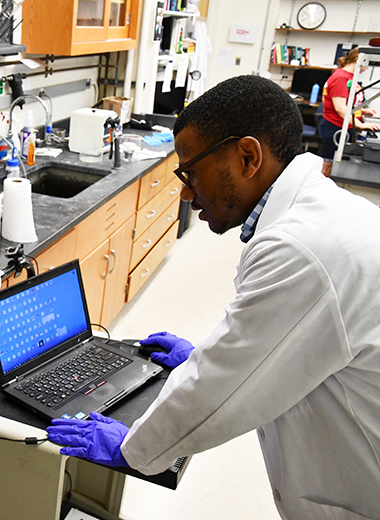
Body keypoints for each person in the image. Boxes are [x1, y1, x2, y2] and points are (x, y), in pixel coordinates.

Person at [47, 75, 380, 520]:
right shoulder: (322, 216)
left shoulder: (303, 249)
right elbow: (275, 342)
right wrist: (200, 355)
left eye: (191, 171)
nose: (186, 191)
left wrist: (133, 448)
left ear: (247, 156)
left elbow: (224, 387)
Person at [318, 47, 379, 177]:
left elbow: (347, 104)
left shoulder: (349, 77)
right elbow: (340, 108)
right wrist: (360, 125)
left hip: (342, 126)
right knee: (328, 165)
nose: (367, 68)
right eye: (366, 64)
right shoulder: (341, 77)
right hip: (334, 127)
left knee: (334, 165)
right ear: (358, 59)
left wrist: (362, 111)